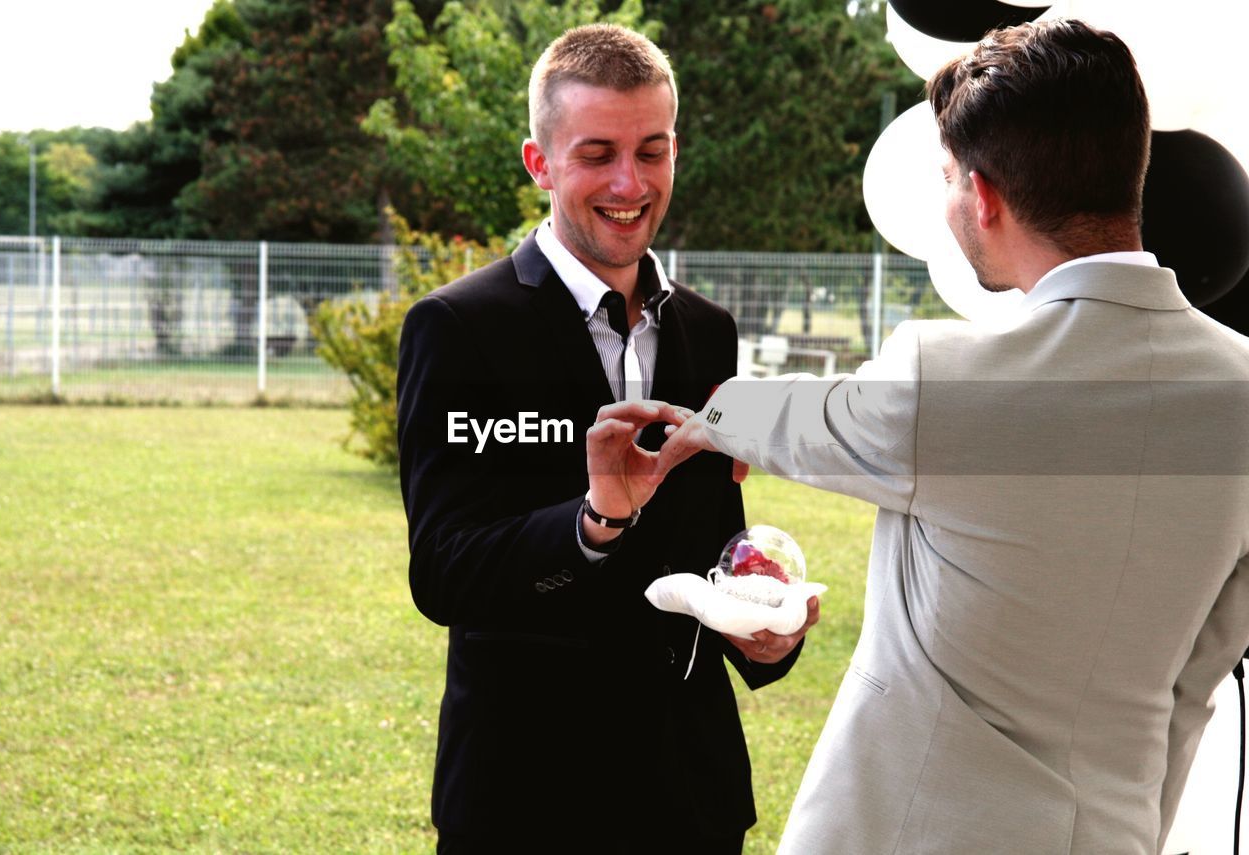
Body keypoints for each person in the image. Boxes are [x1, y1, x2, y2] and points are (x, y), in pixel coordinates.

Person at [656, 18, 1249, 854]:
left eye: (945, 178)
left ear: (985, 195)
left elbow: (808, 417)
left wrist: (712, 419)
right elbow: (1202, 675)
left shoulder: (946, 377)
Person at [397, 24, 817, 854]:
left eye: (652, 151)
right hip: (526, 799)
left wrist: (764, 625)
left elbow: (710, 544)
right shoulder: (456, 328)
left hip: (691, 797)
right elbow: (444, 571)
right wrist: (593, 522)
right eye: (597, 153)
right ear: (539, 162)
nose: (630, 182)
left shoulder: (709, 331)